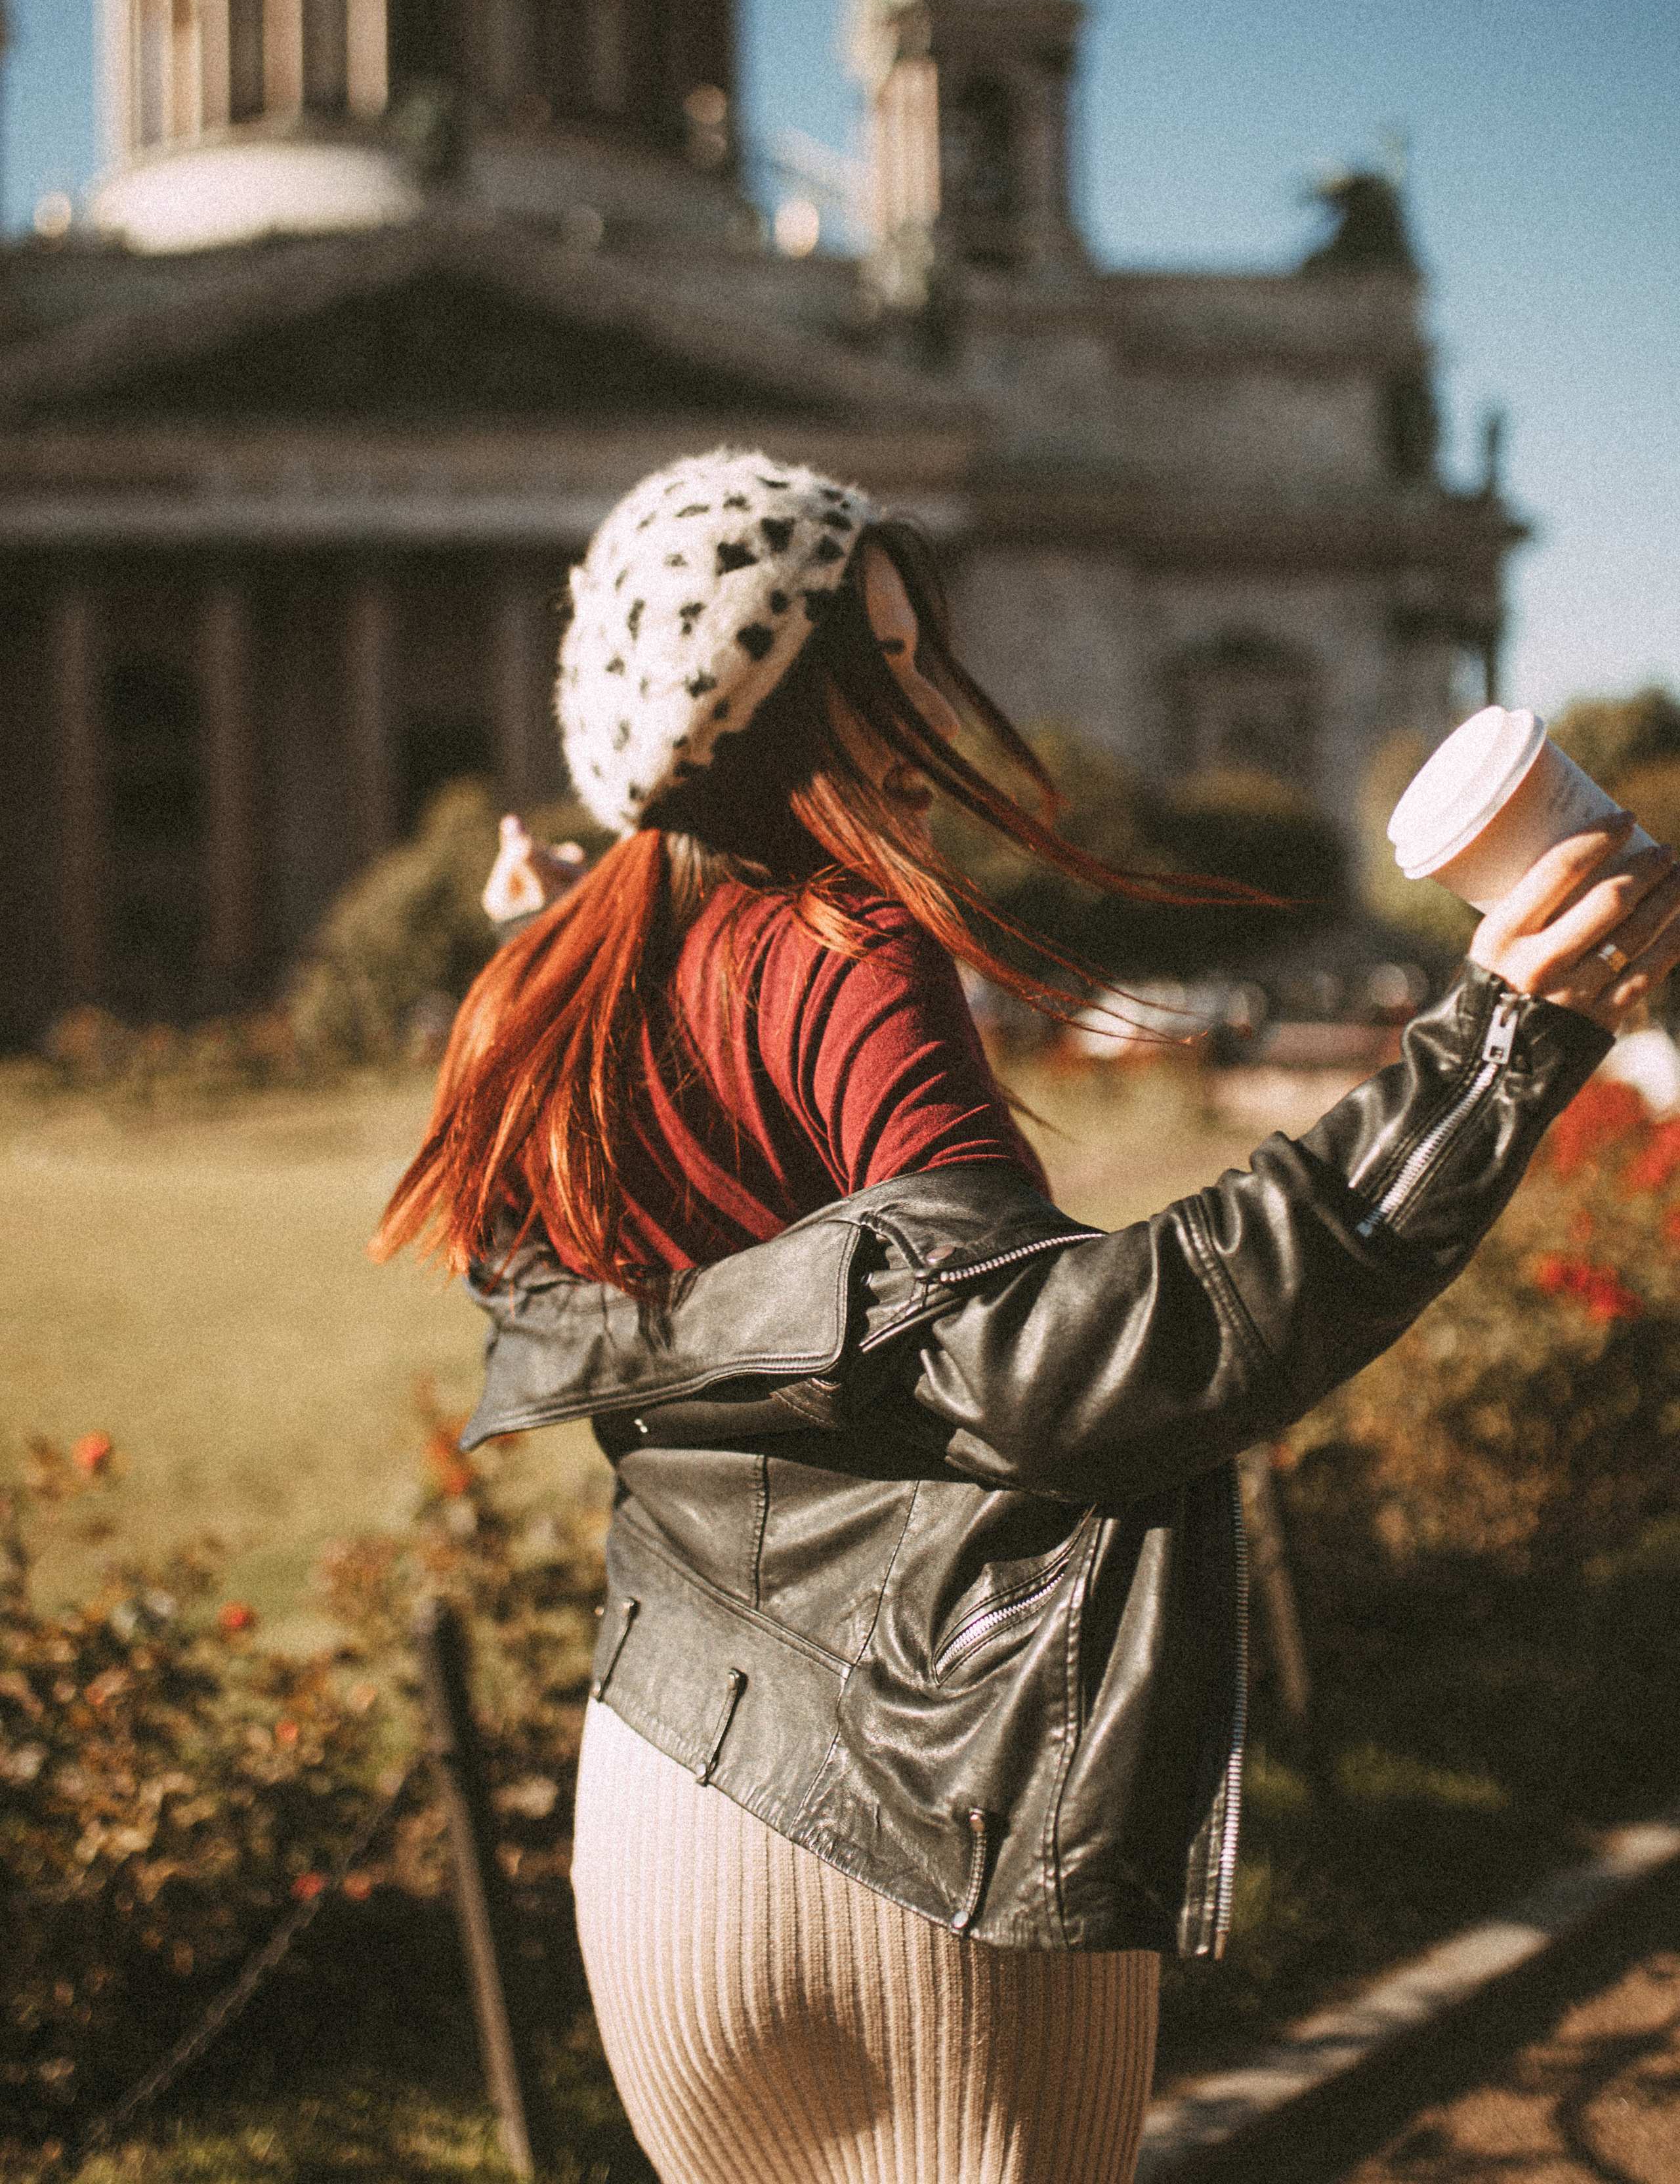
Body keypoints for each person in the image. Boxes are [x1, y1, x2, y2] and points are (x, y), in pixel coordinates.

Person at [376, 450, 1680, 2184]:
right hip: (924, 1827)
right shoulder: (845, 946)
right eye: (884, 665)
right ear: (768, 698)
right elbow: (1078, 1364)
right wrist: (1497, 1043)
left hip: (660, 1808)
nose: (925, 709)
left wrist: (559, 929)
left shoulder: (541, 986)